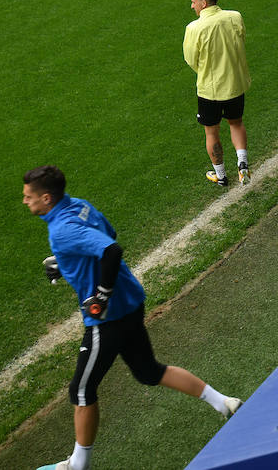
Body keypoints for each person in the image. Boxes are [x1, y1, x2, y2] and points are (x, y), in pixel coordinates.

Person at [23, 165, 241, 470]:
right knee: (148, 371)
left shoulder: (62, 229)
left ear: (46, 198)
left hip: (107, 319)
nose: (25, 201)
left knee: (81, 390)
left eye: (28, 196)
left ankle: (77, 466)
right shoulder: (79, 206)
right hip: (131, 301)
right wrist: (65, 263)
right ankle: (224, 402)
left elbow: (111, 250)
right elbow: (106, 234)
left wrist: (100, 295)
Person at [184, 0, 251, 188]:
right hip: (236, 84)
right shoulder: (235, 17)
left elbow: (191, 59)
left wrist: (206, 72)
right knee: (236, 123)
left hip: (210, 90)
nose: (192, 6)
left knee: (211, 132)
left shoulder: (194, 28)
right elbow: (241, 40)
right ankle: (242, 164)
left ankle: (221, 175)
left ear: (203, 3)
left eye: (194, 2)